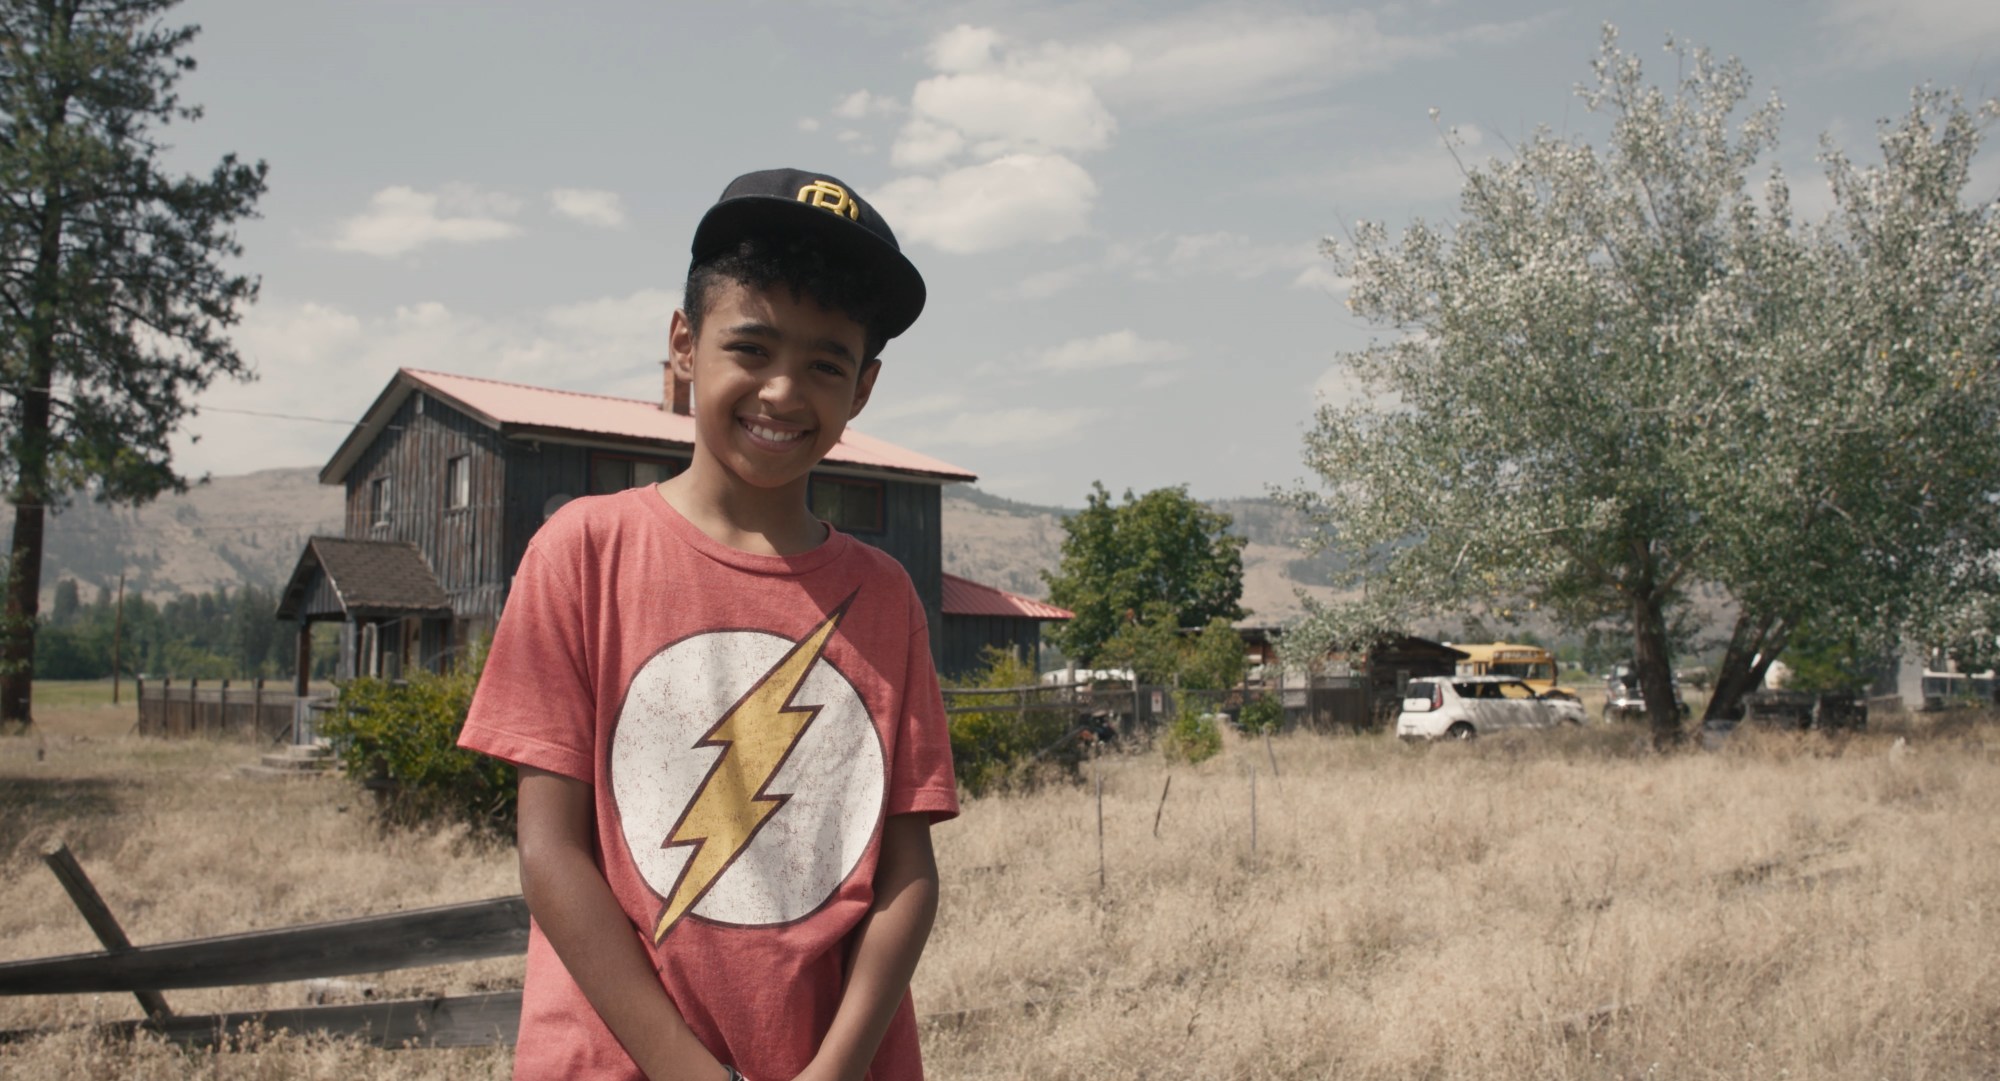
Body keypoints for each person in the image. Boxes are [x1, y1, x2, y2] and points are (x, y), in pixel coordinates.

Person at [458, 168, 958, 1081]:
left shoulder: (884, 598)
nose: (782, 392)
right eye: (753, 347)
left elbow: (906, 872)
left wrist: (834, 1068)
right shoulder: (584, 554)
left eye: (824, 364)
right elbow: (550, 852)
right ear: (684, 344)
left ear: (865, 388)